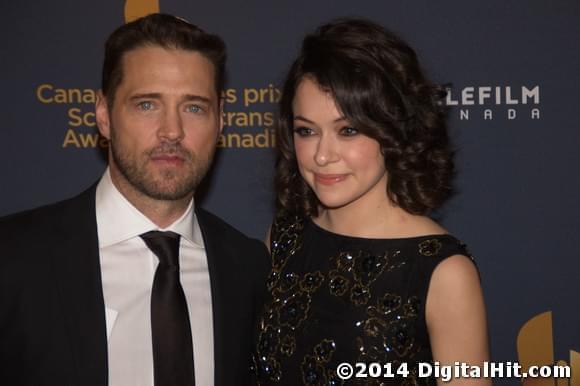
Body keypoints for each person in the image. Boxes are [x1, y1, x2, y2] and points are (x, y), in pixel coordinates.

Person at [0, 13, 269, 386]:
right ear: (104, 115)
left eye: (194, 107)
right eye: (147, 104)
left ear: (220, 121)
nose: (172, 131)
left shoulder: (251, 269)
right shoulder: (13, 257)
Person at [251, 18, 489, 385]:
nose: (322, 155)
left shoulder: (443, 274)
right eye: (306, 131)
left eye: (348, 131)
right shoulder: (284, 237)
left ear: (393, 130)